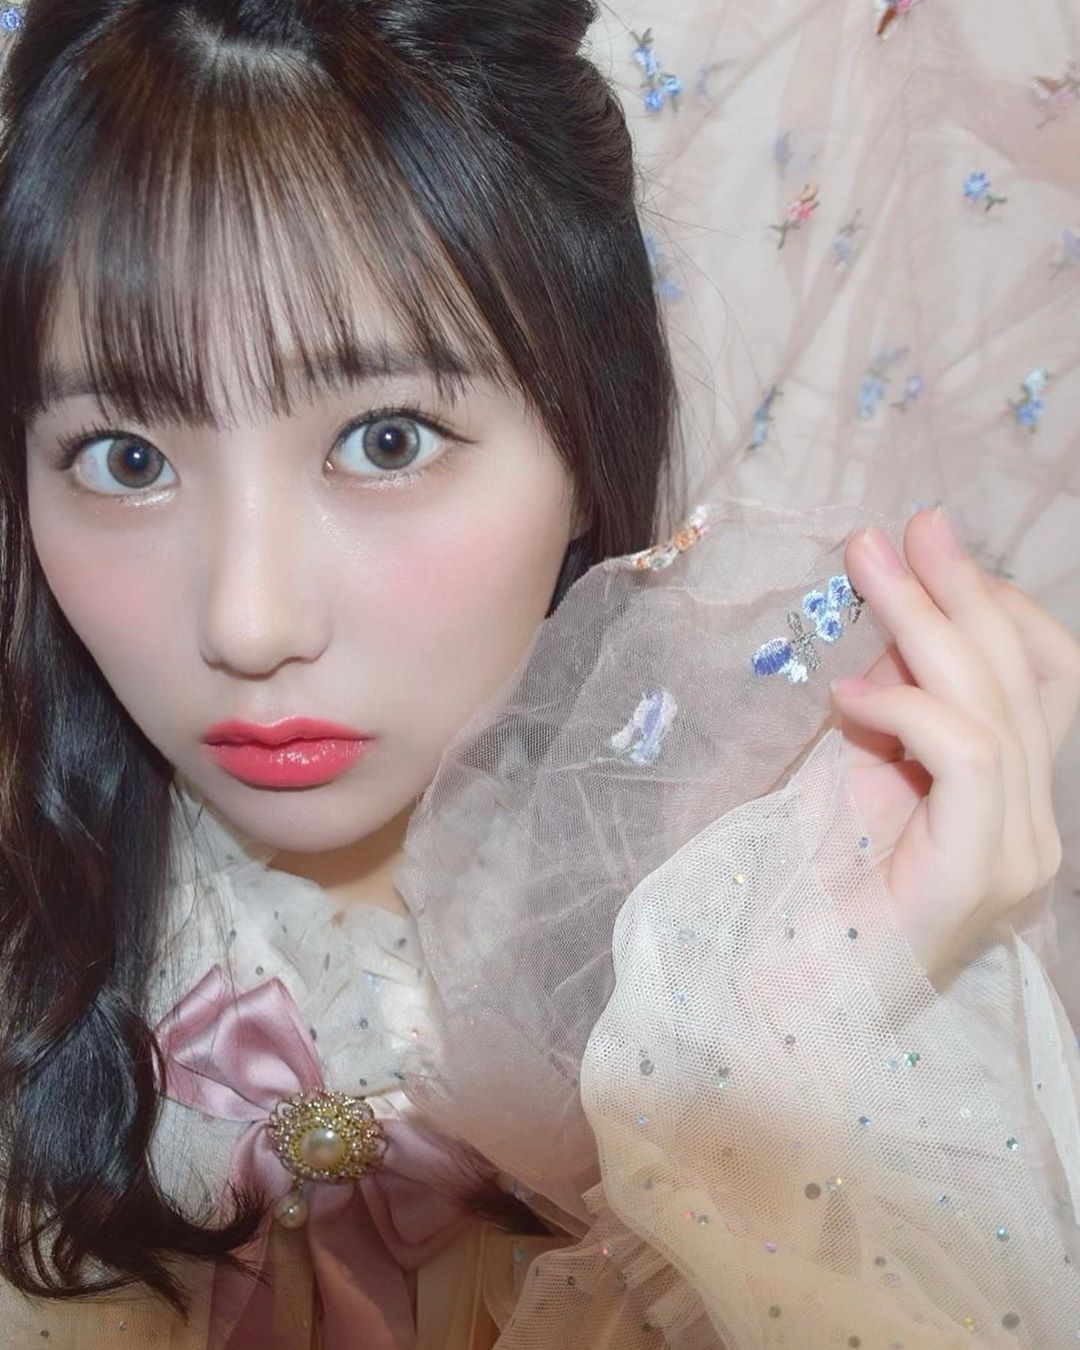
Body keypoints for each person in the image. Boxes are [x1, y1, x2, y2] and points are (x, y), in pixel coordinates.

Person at [0, 0, 1077, 1347]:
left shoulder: (785, 909)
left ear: (583, 446)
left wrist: (812, 1030)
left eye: (387, 441)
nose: (250, 623)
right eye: (128, 458)